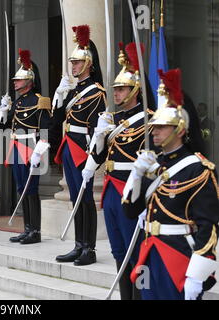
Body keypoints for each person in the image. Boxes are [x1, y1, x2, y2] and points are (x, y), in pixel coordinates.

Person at [122, 68, 219, 300]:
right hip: (149, 252)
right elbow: (130, 210)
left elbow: (209, 228)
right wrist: (135, 176)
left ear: (180, 129)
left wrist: (197, 276)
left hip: (176, 255)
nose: (154, 132)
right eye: (154, 126)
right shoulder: (155, 164)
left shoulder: (198, 169)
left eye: (161, 127)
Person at [80, 42, 156, 299]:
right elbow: (101, 156)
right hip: (112, 189)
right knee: (119, 252)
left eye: (121, 89)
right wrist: (100, 136)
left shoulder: (148, 120)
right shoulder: (115, 121)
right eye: (115, 89)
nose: (117, 93)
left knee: (136, 252)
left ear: (135, 89)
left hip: (131, 191)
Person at [52, 25, 106, 265]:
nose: (72, 66)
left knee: (86, 200)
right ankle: (78, 244)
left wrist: (94, 158)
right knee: (75, 198)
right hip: (68, 147)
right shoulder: (74, 91)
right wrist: (60, 98)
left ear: (87, 64)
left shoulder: (97, 93)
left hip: (82, 149)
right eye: (72, 62)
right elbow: (57, 121)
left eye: (76, 62)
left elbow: (97, 129)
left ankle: (89, 249)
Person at [0, 49, 52, 245]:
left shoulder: (40, 101)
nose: (15, 82)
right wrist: (3, 111)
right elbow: (4, 126)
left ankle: (35, 231)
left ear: (29, 81)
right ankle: (27, 228)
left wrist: (40, 150)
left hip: (32, 148)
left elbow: (46, 128)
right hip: (17, 146)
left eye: (18, 80)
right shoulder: (18, 102)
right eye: (14, 80)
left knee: (31, 189)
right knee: (22, 188)